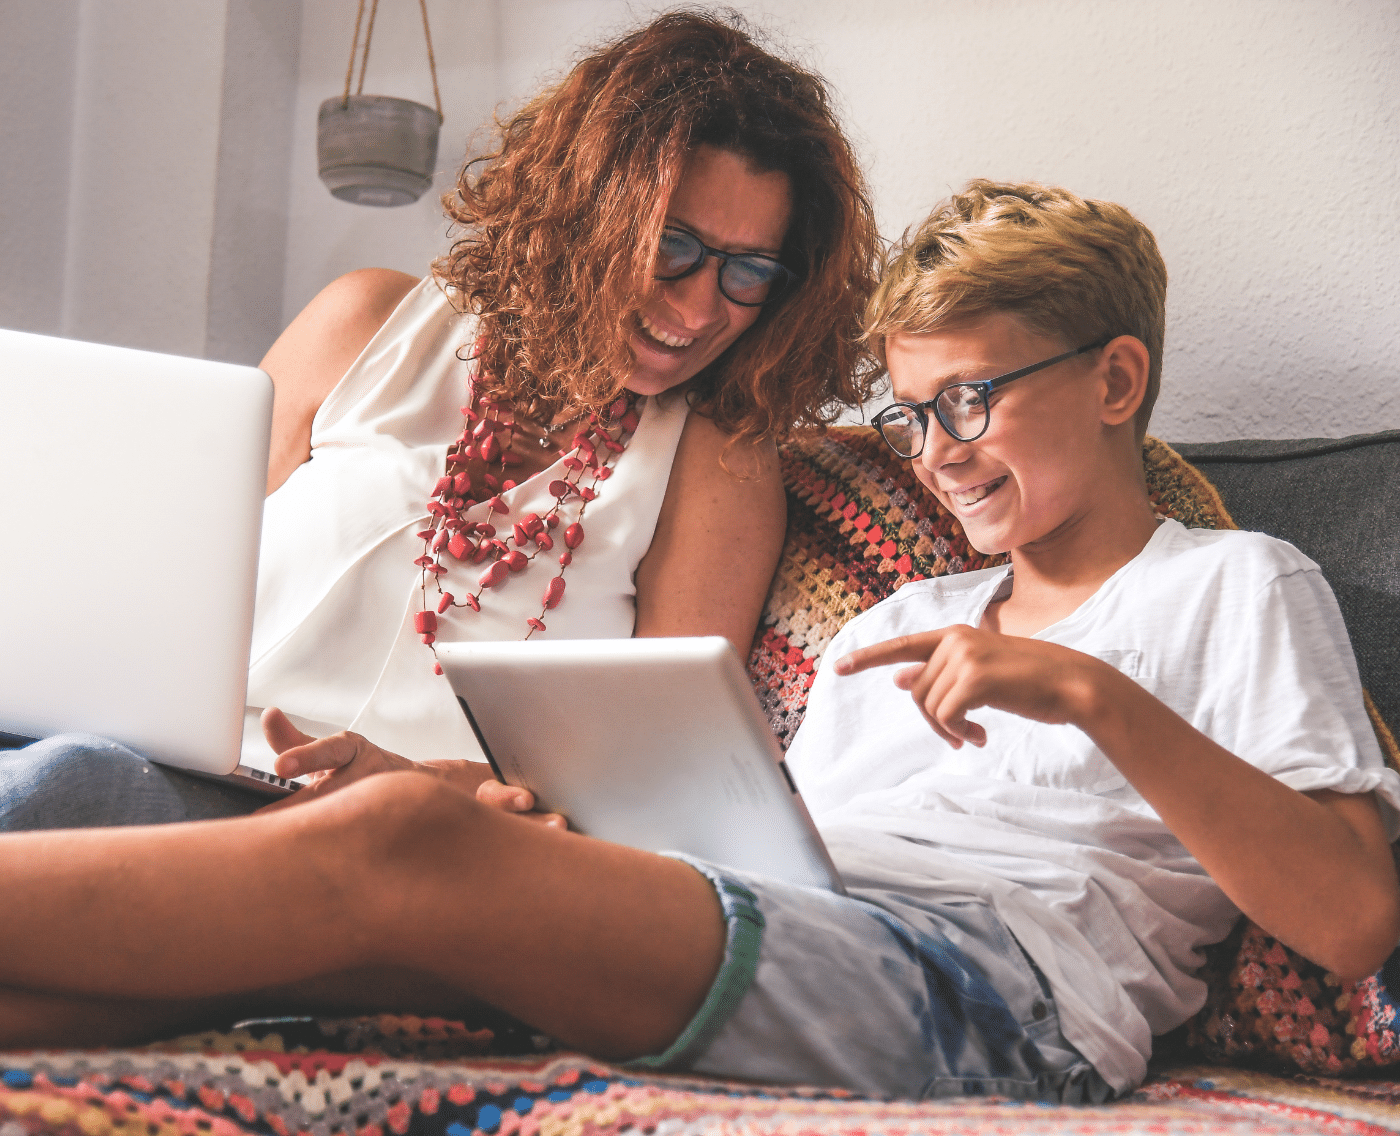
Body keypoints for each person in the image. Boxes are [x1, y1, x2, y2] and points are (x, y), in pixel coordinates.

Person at [2, 179, 1396, 1106]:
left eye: (968, 402)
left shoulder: (1236, 585)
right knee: (105, 806)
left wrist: (1093, 694)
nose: (936, 459)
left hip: (996, 995)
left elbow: (1350, 918)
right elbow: (737, 860)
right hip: (801, 921)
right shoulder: (898, 624)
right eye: (911, 419)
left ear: (1117, 378)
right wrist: (488, 805)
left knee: (397, 863)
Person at [0, 11, 878, 829]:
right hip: (173, 757)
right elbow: (161, 581)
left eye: (749, 270)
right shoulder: (364, 321)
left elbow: (660, 785)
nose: (698, 306)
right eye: (670, 247)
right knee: (66, 767)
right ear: (583, 212)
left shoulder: (713, 462)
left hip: (408, 831)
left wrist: (445, 796)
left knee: (63, 785)